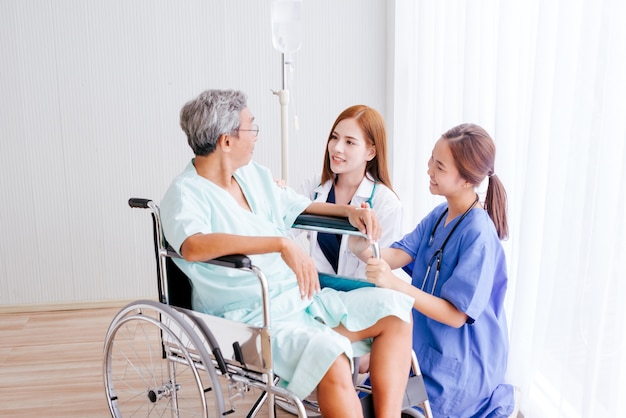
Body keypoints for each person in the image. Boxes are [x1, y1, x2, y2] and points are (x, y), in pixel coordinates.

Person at [159, 89, 415, 418]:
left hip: (302, 301)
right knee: (331, 354)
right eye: (251, 128)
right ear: (226, 141)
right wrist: (279, 243)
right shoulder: (185, 193)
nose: (255, 137)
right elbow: (193, 245)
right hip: (252, 318)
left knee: (395, 312)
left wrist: (346, 213)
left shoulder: (253, 175)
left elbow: (299, 206)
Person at [350, 123, 515, 417]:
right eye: (431, 159)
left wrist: (394, 284)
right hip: (423, 350)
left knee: (386, 401)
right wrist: (360, 241)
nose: (429, 169)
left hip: (457, 367)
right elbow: (398, 254)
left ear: (466, 180)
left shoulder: (479, 234)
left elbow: (456, 314)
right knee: (373, 398)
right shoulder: (440, 215)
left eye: (439, 166)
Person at [296, 105, 404, 279]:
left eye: (350, 142)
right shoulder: (313, 187)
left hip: (361, 298)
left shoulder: (387, 203)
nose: (336, 148)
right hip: (317, 293)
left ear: (371, 152)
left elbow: (382, 271)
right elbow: (280, 227)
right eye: (334, 137)